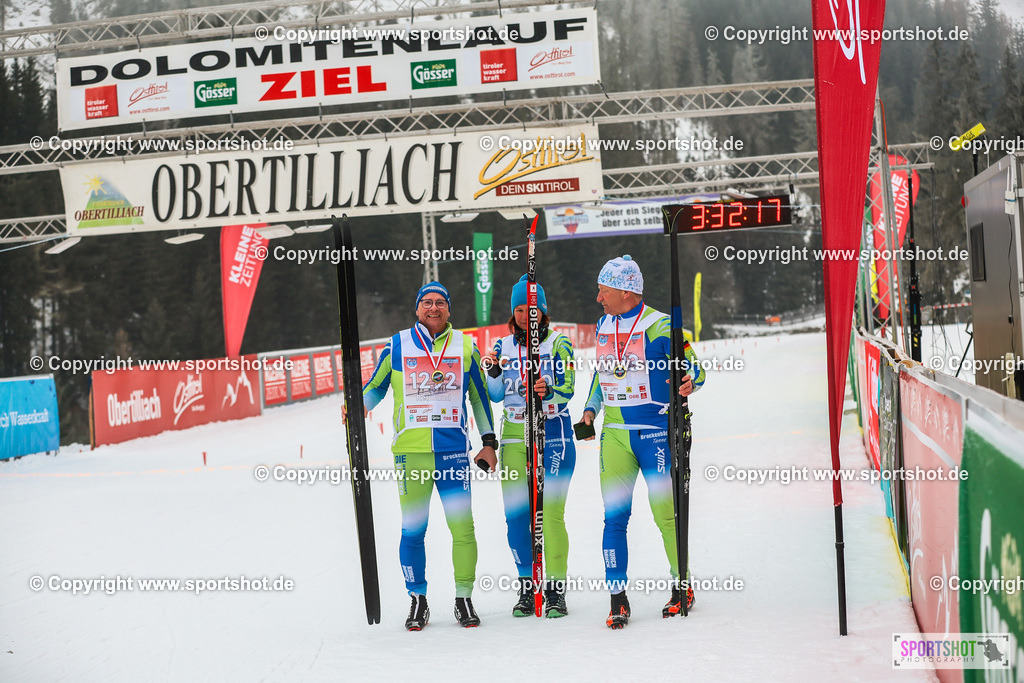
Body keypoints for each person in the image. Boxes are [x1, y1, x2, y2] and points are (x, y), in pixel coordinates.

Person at [359, 281, 498, 630]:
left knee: (463, 528)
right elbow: (375, 386)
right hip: (411, 453)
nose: (433, 308)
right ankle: (417, 600)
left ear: (449, 309)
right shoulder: (397, 344)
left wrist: (489, 442)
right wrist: (357, 406)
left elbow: (480, 397)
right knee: (413, 529)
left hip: (452, 452)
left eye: (440, 303)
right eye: (426, 303)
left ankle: (463, 599)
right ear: (416, 308)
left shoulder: (465, 345)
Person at [579, 255, 705, 629]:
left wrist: (689, 382)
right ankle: (617, 598)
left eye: (603, 290)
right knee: (614, 518)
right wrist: (590, 409)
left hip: (654, 434)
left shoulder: (661, 326)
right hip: (616, 436)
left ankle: (682, 586)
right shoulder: (603, 324)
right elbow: (603, 373)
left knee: (667, 516)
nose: (598, 298)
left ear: (624, 291)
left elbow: (696, 368)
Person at [482, 276, 576, 618]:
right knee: (517, 518)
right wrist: (492, 372)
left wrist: (548, 390)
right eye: (519, 309)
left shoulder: (559, 343)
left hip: (553, 433)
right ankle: (527, 586)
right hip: (513, 435)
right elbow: (494, 395)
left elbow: (568, 386)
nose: (525, 315)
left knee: (549, 516)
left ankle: (555, 590)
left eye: (532, 309)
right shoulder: (502, 346)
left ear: (544, 311)